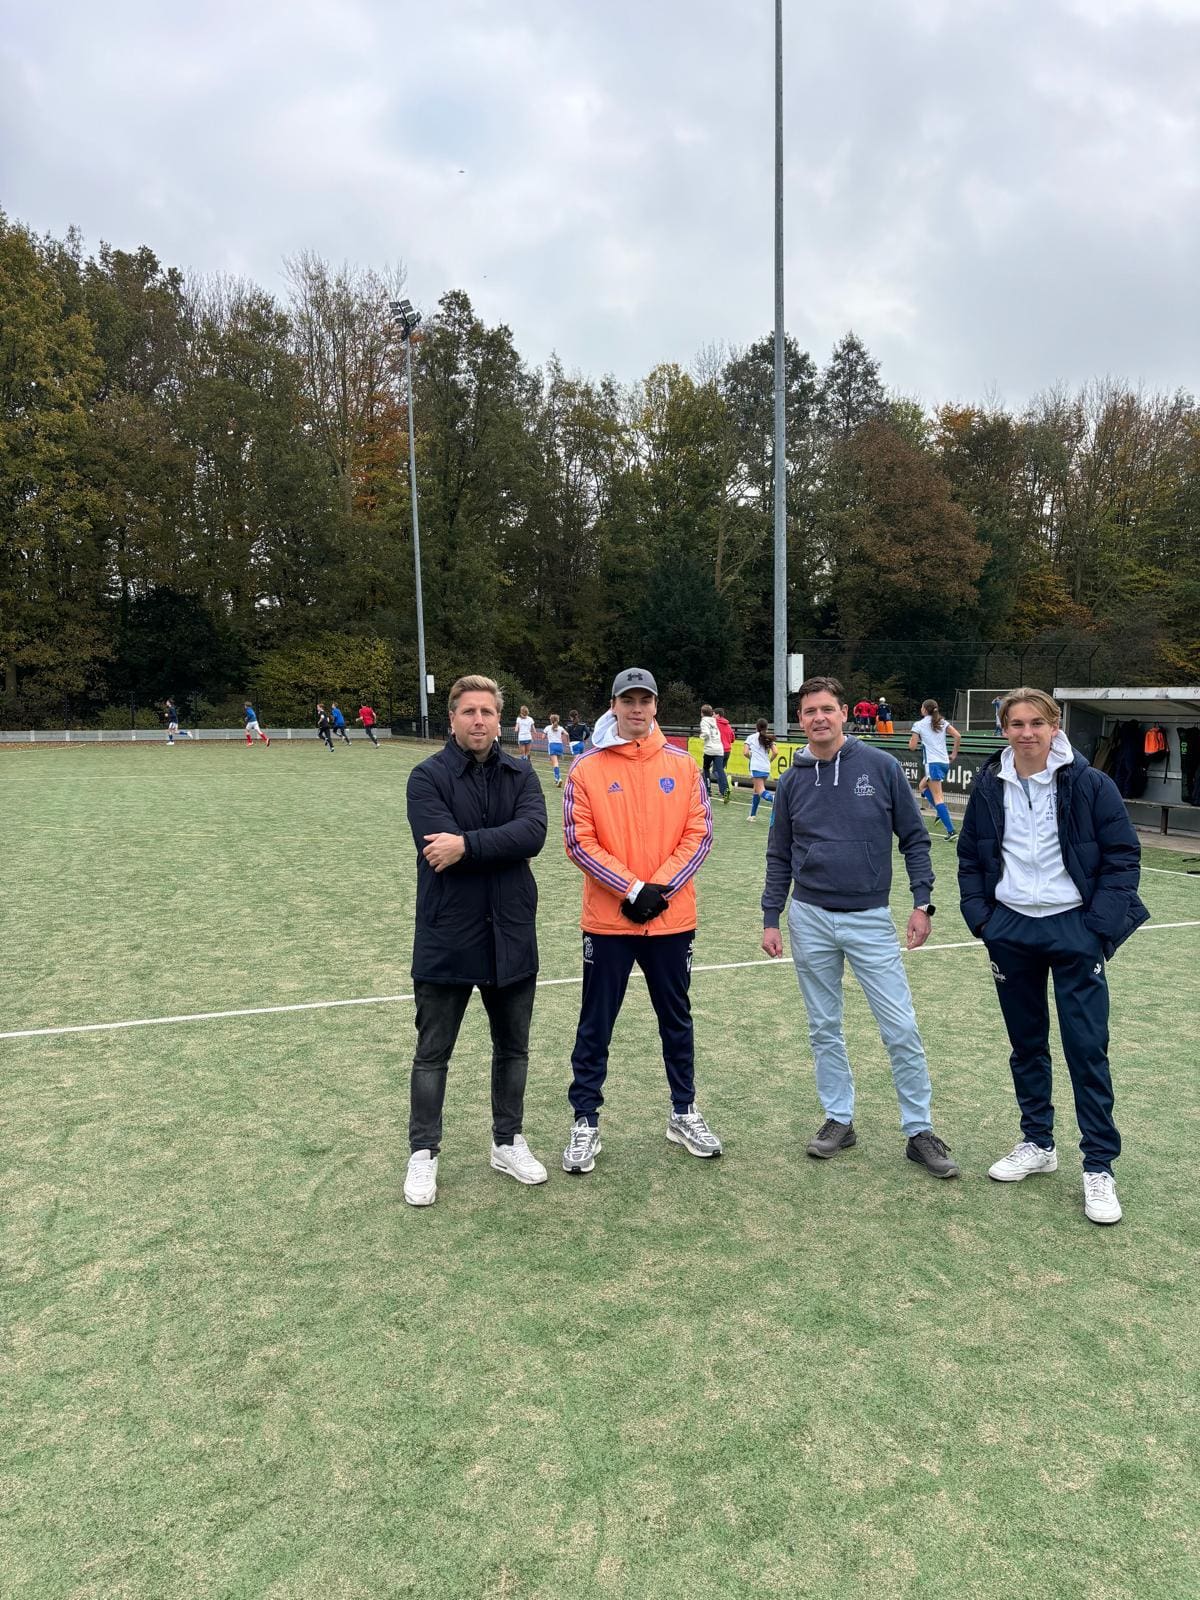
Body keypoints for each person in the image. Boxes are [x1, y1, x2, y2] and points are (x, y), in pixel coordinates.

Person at [957, 687, 1148, 1225]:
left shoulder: (1091, 783)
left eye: (1036, 722)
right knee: (1026, 1044)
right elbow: (971, 856)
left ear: (1054, 725)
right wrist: (983, 918)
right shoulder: (990, 786)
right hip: (1010, 928)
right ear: (1004, 731)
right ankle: (1038, 1143)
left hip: (1074, 928)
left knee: (1087, 1048)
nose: (1026, 733)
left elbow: (1122, 857)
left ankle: (1099, 1167)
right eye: (1015, 723)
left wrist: (1096, 929)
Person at [761, 675, 959, 1179]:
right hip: (808, 917)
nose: (818, 718)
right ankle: (839, 1119)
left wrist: (923, 903)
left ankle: (919, 1130)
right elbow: (778, 853)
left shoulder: (882, 766)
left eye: (827, 709)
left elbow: (915, 838)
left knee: (900, 1026)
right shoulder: (792, 779)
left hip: (870, 917)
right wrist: (771, 916)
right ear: (800, 719)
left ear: (844, 712)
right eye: (809, 712)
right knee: (824, 1026)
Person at [561, 666, 721, 1174]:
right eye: (627, 700)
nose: (636, 709)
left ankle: (683, 1112)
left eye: (644, 701)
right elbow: (577, 841)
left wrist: (660, 890)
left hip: (671, 920)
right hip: (608, 922)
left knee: (676, 1020)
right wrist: (630, 889)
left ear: (655, 707)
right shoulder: (586, 769)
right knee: (596, 1023)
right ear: (614, 705)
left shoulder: (684, 765)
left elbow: (698, 834)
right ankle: (585, 1120)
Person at [403, 674, 550, 1206]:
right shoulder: (427, 778)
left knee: (513, 1049)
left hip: (511, 935)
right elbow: (435, 847)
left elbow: (532, 834)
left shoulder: (521, 774)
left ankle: (507, 1141)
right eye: (469, 712)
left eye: (487, 712)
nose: (479, 721)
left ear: (499, 719)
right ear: (452, 719)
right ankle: (424, 1153)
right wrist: (486, 845)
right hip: (447, 938)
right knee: (432, 1053)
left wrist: (467, 844)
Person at [909, 699, 961, 840]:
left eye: (921, 707)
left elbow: (912, 747)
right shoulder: (942, 722)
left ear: (925, 710)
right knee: (922, 786)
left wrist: (914, 739)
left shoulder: (918, 725)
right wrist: (954, 754)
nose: (921, 709)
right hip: (944, 762)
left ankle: (951, 831)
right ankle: (940, 812)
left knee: (938, 797)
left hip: (932, 764)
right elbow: (957, 736)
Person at [744, 718, 776, 820]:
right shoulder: (768, 738)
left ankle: (775, 799)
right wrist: (769, 761)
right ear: (767, 727)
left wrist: (751, 758)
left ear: (756, 727)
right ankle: (752, 815)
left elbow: (745, 753)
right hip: (766, 767)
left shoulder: (750, 738)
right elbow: (775, 752)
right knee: (756, 790)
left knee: (760, 790)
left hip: (756, 767)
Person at [699, 703, 730, 804]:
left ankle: (708, 790)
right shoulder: (714, 721)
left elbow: (706, 733)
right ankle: (725, 790)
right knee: (720, 770)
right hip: (719, 749)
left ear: (702, 713)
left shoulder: (704, 721)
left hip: (709, 749)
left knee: (706, 769)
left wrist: (702, 736)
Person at [543, 713, 567, 786]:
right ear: (558, 720)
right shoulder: (561, 728)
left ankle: (558, 778)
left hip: (552, 745)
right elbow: (566, 734)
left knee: (555, 763)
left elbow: (543, 737)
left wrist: (547, 735)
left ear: (551, 720)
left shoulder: (547, 728)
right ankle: (556, 779)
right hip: (559, 746)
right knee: (556, 763)